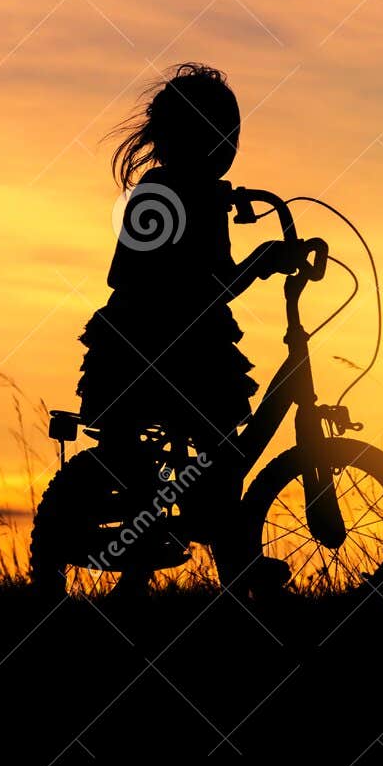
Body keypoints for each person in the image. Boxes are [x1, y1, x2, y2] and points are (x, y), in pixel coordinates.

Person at [76, 63, 294, 597]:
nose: (228, 148)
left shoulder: (170, 190)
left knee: (204, 462)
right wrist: (261, 260)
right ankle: (233, 568)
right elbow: (211, 287)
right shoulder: (183, 195)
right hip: (178, 350)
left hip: (141, 345)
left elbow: (140, 273)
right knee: (219, 459)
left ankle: (163, 566)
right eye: (223, 136)